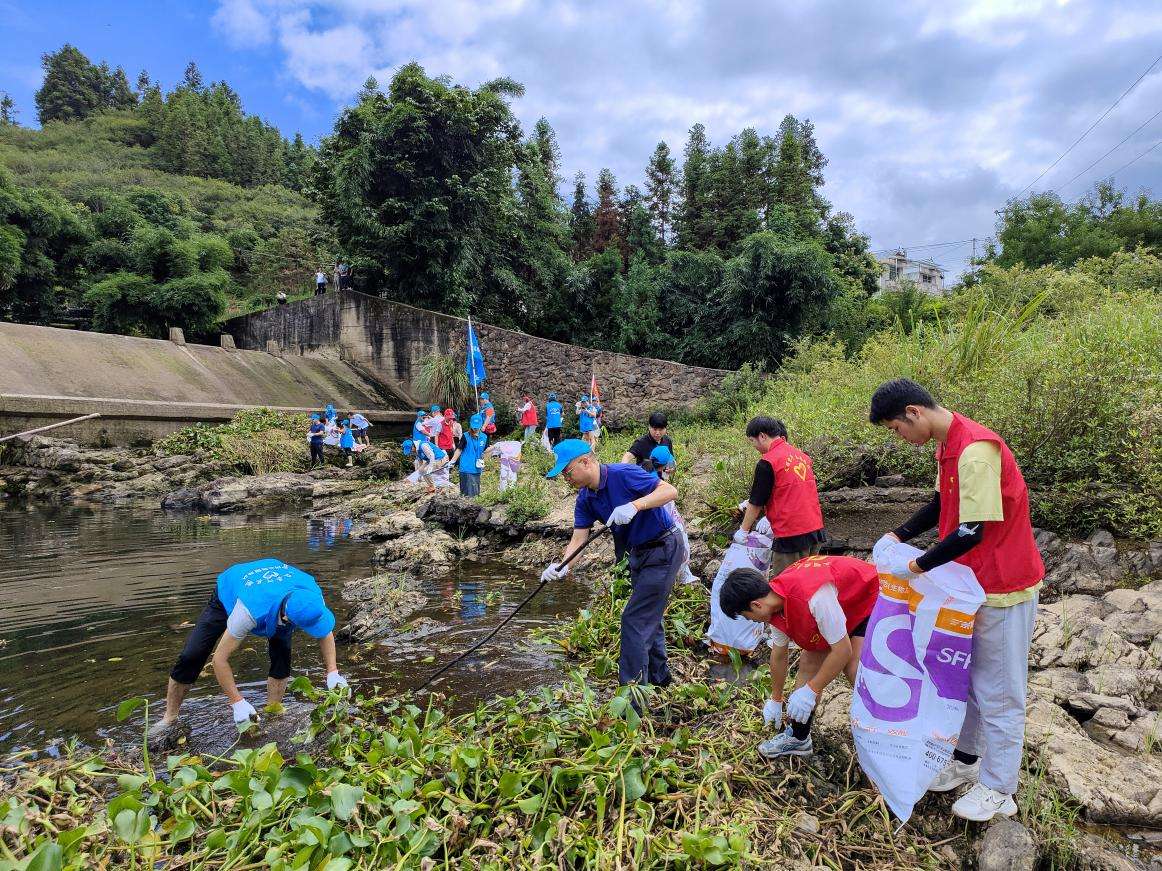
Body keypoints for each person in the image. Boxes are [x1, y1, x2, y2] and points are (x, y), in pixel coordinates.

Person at [869, 378, 1044, 822]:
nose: (898, 437)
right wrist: (899, 534)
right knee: (966, 681)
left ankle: (1000, 788)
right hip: (970, 586)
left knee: (1000, 693)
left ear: (914, 412)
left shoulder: (976, 450)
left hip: (1003, 586)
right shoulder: (947, 445)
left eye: (895, 428)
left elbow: (972, 530)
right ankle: (966, 762)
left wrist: (915, 567)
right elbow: (938, 504)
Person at [148, 558, 347, 743]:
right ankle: (169, 718)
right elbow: (220, 660)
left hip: (278, 590)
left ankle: (273, 712)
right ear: (286, 617)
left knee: (282, 653)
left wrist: (332, 672)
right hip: (232, 589)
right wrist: (237, 703)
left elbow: (324, 631)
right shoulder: (249, 611)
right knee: (193, 655)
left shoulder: (311, 595)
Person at [542, 440, 682, 694]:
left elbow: (669, 491)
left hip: (663, 547)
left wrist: (635, 505)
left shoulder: (623, 473)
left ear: (585, 462)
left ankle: (632, 697)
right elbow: (579, 538)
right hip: (636, 554)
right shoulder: (585, 498)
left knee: (634, 620)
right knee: (648, 614)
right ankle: (660, 679)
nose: (566, 478)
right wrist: (562, 566)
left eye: (567, 471)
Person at [719, 555, 879, 758]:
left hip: (868, 597)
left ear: (756, 605)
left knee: (853, 667)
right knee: (809, 660)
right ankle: (798, 737)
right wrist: (776, 699)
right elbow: (779, 654)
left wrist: (812, 690)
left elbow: (842, 651)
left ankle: (888, 730)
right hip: (840, 606)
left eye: (745, 615)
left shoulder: (814, 597)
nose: (750, 621)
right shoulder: (776, 604)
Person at [737, 417, 827, 575]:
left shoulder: (768, 462)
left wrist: (743, 530)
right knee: (808, 581)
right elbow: (793, 490)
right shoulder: (803, 457)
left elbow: (756, 502)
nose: (754, 446)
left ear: (762, 436)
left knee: (786, 587)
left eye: (753, 441)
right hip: (815, 531)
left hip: (790, 535)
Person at [646, 445, 698, 586]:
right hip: (664, 524)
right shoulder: (657, 483)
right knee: (679, 543)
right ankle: (681, 577)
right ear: (663, 466)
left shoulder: (646, 469)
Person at [451, 413, 489, 497]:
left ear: (481, 425)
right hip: (466, 468)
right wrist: (453, 461)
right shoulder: (465, 436)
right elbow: (459, 449)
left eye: (477, 426)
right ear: (470, 424)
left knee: (475, 493)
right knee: (466, 495)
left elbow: (485, 450)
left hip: (477, 468)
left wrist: (496, 447)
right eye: (473, 426)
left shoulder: (484, 437)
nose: (475, 428)